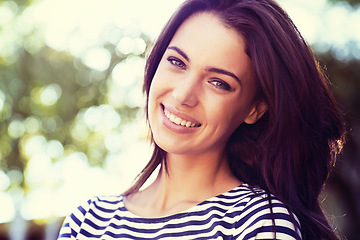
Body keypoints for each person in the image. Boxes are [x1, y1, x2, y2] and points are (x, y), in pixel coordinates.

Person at [58, 0, 346, 239]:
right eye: (177, 62)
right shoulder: (86, 222)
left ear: (254, 109)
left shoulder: (260, 225)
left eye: (219, 82)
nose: (183, 95)